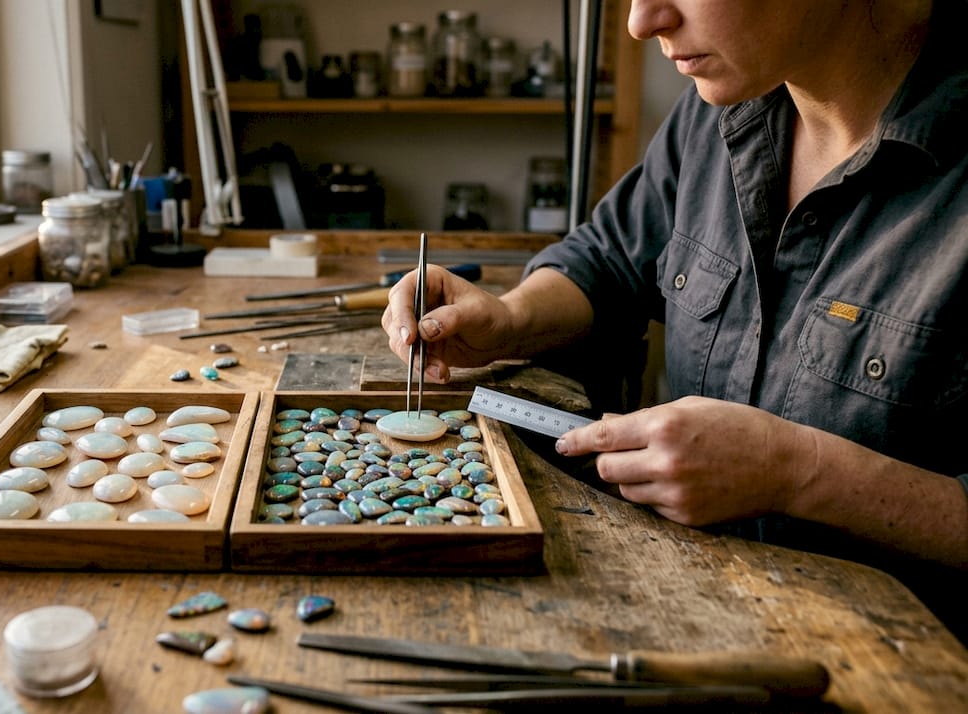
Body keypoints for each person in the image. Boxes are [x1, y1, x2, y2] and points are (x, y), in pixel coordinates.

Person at [383, 0, 967, 638]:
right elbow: (610, 259)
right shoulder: (722, 102)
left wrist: (797, 472)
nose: (641, 21)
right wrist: (510, 316)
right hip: (682, 615)